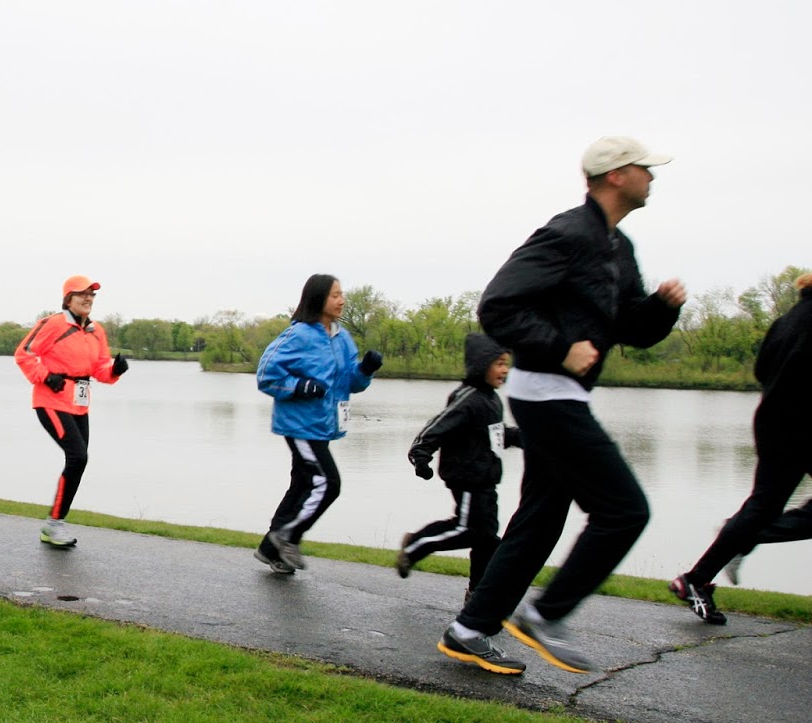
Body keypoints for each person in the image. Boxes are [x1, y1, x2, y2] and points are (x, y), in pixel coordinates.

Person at [437, 136, 687, 676]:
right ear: (616, 175)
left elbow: (629, 329)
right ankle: (544, 616)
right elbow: (497, 305)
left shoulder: (617, 248)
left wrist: (662, 310)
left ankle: (469, 629)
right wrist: (558, 347)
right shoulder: (568, 233)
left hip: (561, 394)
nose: (654, 176)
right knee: (624, 510)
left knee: (538, 520)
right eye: (646, 168)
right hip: (544, 392)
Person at [670, 272, 812, 624]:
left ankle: (702, 572)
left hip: (774, 421)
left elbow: (762, 370)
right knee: (763, 508)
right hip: (802, 425)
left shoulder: (786, 320)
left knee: (762, 507)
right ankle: (734, 540)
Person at [254, 274, 381, 574]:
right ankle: (287, 537)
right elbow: (265, 375)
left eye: (342, 294)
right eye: (335, 294)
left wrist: (365, 369)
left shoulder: (342, 336)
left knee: (302, 485)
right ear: (318, 298)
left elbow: (351, 383)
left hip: (324, 424)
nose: (342, 300)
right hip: (299, 424)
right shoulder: (298, 335)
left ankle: (271, 549)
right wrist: (300, 386)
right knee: (328, 483)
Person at [399, 333, 521, 598]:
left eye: (506, 363)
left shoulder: (491, 398)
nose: (505, 370)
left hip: (487, 478)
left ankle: (477, 593)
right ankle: (415, 545)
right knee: (468, 530)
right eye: (499, 363)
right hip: (467, 477)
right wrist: (421, 455)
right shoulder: (468, 398)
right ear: (481, 364)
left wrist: (522, 438)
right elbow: (436, 427)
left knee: (487, 537)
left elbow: (494, 434)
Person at [15, 275, 129, 548]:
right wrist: (45, 376)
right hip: (50, 400)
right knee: (78, 456)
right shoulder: (53, 323)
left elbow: (99, 369)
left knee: (78, 460)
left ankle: (55, 523)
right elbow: (24, 354)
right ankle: (54, 524)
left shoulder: (96, 331)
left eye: (92, 294)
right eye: (82, 294)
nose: (88, 298)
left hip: (79, 402)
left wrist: (115, 370)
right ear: (68, 298)